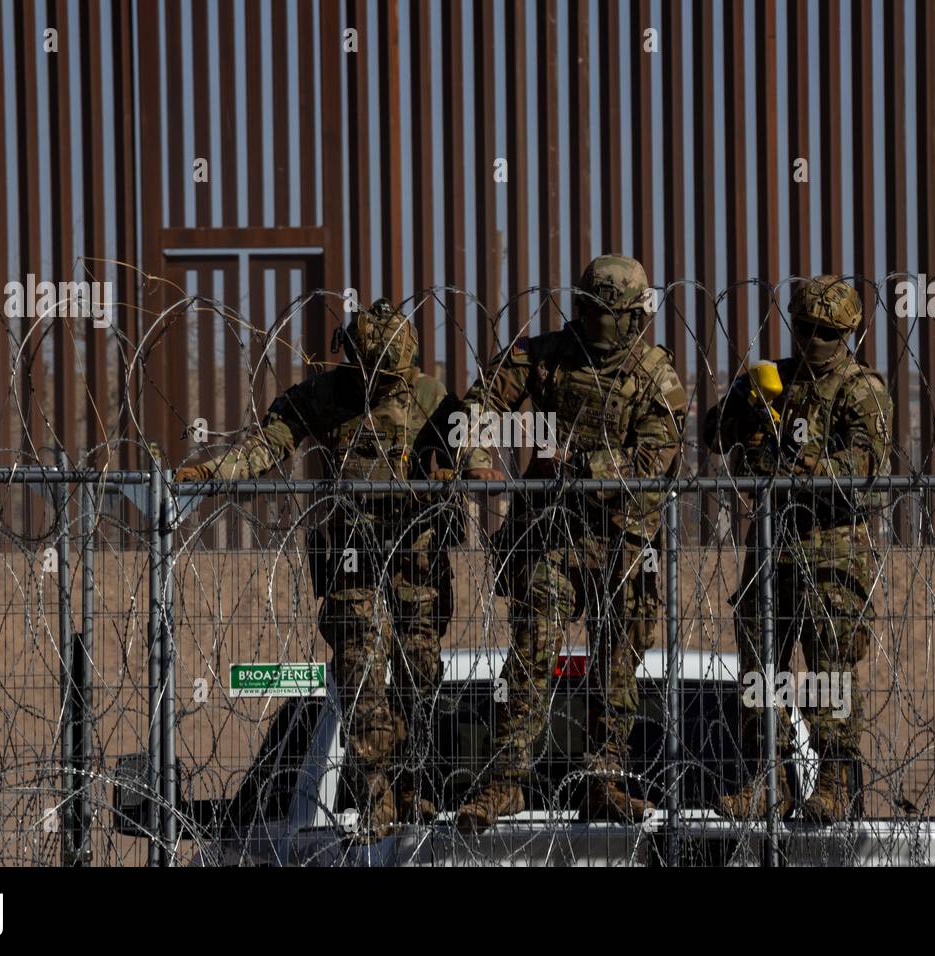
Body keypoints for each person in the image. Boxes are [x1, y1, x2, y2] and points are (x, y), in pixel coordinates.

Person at [175, 299, 457, 840]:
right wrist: (214, 472)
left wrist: (460, 474)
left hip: (414, 554)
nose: (383, 387)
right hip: (352, 554)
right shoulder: (327, 395)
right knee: (358, 669)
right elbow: (270, 443)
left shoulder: (431, 398)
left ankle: (412, 783)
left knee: (419, 670)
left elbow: (471, 453)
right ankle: (376, 792)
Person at [450, 254, 687, 832]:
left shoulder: (655, 375)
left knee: (618, 665)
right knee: (533, 652)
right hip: (551, 532)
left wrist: (581, 465)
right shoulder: (545, 357)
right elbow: (479, 404)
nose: (602, 325)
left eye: (612, 315)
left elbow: (655, 459)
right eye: (594, 312)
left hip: (622, 538)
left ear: (635, 317)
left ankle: (604, 779)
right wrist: (476, 454)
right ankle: (506, 780)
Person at [703, 275, 891, 823]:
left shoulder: (859, 390)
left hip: (831, 553)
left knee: (830, 670)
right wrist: (743, 409)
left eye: (826, 332)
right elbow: (714, 435)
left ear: (846, 333)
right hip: (772, 548)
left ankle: (833, 782)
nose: (814, 341)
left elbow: (867, 469)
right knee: (760, 671)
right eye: (805, 328)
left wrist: (798, 463)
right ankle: (770, 777)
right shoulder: (775, 379)